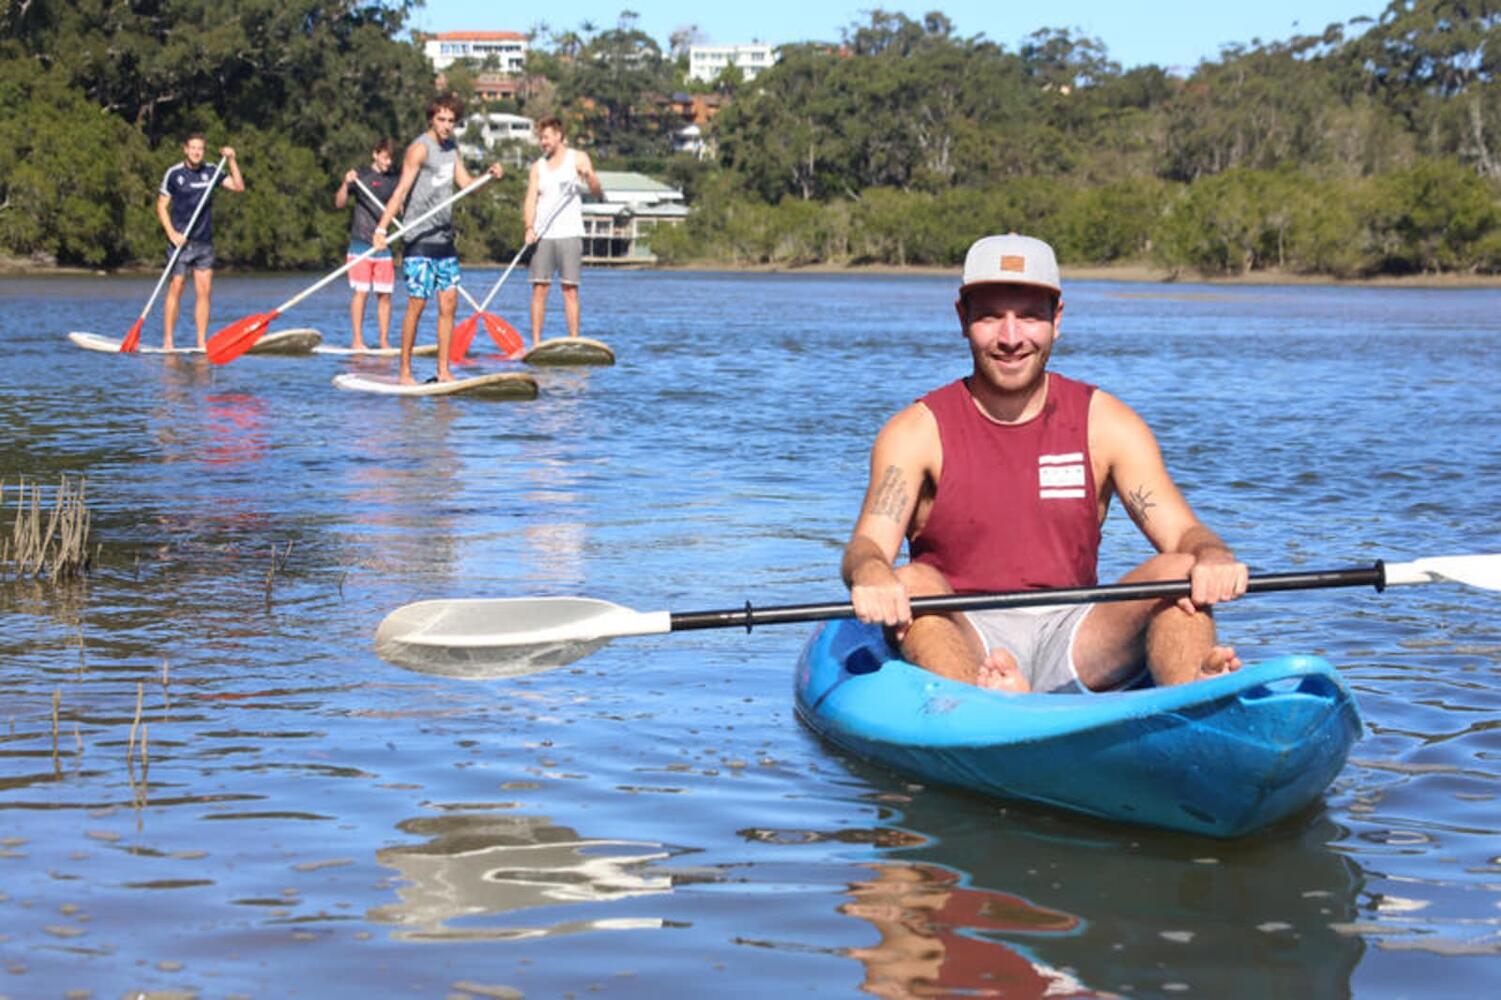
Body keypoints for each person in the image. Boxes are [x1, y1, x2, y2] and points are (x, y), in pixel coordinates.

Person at [842, 233, 1249, 694]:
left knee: (1179, 572)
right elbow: (865, 547)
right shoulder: (914, 433)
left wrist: (1213, 556)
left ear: (1057, 319)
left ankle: (1198, 689)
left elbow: (1184, 536)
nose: (1011, 338)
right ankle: (987, 708)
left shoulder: (1107, 423)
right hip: (961, 632)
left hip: (1077, 633)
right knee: (913, 581)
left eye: (1030, 316)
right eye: (992, 316)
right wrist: (872, 573)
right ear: (963, 318)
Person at [373, 94, 503, 384]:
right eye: (441, 119)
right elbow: (400, 192)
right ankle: (405, 372)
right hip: (419, 238)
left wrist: (488, 177)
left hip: (444, 239)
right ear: (432, 119)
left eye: (451, 121)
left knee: (449, 304)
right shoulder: (420, 149)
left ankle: (443, 371)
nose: (446, 126)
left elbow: (467, 186)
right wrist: (381, 230)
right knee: (417, 304)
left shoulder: (452, 149)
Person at [156, 133, 245, 350]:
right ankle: (168, 341)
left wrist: (232, 160)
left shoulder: (212, 170)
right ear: (185, 149)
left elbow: (238, 186)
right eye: (193, 148)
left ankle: (201, 341)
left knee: (204, 291)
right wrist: (171, 233)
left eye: (201, 149)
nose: (197, 152)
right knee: (177, 286)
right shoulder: (174, 174)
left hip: (204, 242)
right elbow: (161, 206)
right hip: (180, 242)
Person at [523, 116, 603, 346]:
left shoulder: (577, 158)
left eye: (546, 137)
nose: (543, 142)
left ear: (558, 136)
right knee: (540, 289)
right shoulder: (537, 167)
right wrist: (529, 227)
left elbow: (597, 192)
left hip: (570, 233)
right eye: (541, 138)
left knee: (570, 290)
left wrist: (589, 176)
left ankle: (574, 341)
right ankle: (536, 343)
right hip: (543, 234)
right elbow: (530, 200)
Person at [333, 138, 400, 351]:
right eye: (384, 157)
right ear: (375, 154)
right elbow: (339, 203)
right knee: (361, 292)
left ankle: (383, 341)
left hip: (383, 244)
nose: (388, 163)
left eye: (391, 159)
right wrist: (345, 183)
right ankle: (357, 340)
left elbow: (399, 206)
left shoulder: (394, 180)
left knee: (385, 294)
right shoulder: (361, 176)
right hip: (360, 243)